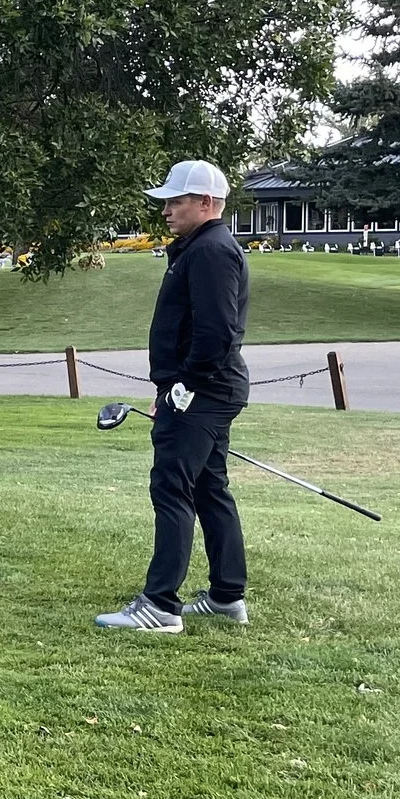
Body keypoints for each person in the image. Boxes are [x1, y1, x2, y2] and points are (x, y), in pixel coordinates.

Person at [97, 160, 252, 633]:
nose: (166, 209)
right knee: (208, 488)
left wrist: (182, 386)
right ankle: (227, 596)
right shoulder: (198, 247)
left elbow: (215, 333)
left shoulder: (210, 251)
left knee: (172, 488)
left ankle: (161, 605)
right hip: (202, 389)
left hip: (202, 391)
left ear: (205, 203)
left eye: (176, 200)